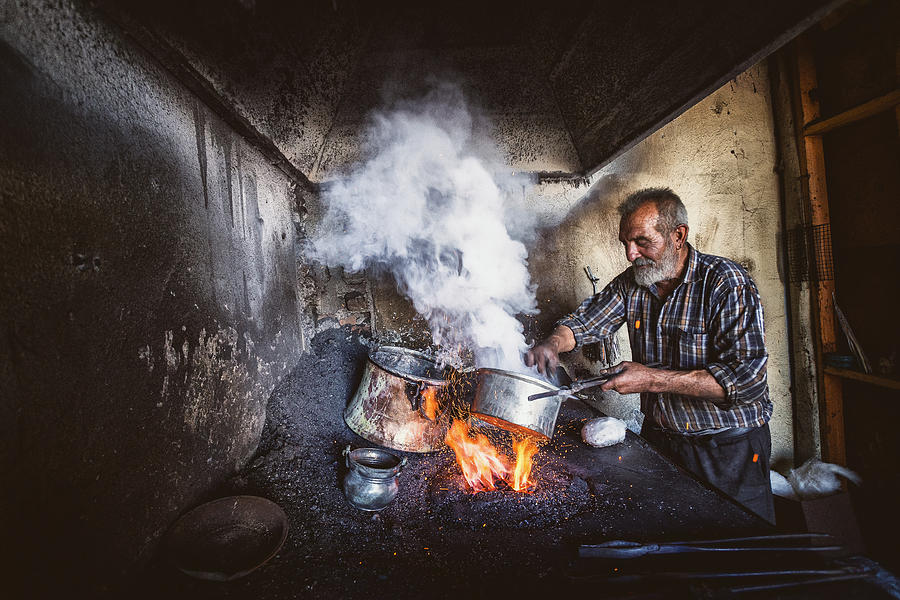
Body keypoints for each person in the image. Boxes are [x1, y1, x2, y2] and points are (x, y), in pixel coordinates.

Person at [525, 187, 774, 522]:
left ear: (678, 236)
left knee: (741, 550)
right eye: (625, 243)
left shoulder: (725, 284)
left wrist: (651, 379)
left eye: (642, 241)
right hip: (663, 444)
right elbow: (585, 322)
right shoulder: (634, 283)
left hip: (727, 451)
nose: (630, 255)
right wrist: (553, 342)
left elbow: (747, 383)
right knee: (667, 546)